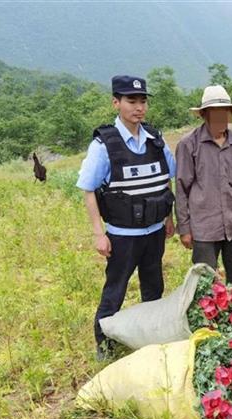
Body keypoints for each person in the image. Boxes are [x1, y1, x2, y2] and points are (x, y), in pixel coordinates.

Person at [76, 75, 176, 360]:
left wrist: (168, 217)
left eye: (142, 100)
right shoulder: (104, 145)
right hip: (122, 236)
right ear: (116, 102)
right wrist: (99, 233)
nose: (138, 107)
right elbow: (88, 190)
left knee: (154, 287)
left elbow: (165, 180)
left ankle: (151, 339)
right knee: (115, 290)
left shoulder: (156, 140)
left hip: (155, 232)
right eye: (131, 101)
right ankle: (104, 345)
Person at [175, 85, 232, 290]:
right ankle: (208, 322)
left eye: (224, 111)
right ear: (204, 114)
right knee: (205, 282)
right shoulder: (188, 144)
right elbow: (181, 188)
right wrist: (184, 228)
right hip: (204, 226)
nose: (221, 117)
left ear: (229, 113)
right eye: (215, 112)